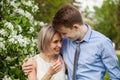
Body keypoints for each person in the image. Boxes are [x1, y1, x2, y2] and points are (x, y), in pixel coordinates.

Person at [22, 4, 120, 80]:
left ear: (76, 27)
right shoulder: (65, 41)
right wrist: (28, 64)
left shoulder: (103, 43)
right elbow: (47, 51)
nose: (62, 38)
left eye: (64, 33)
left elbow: (115, 76)